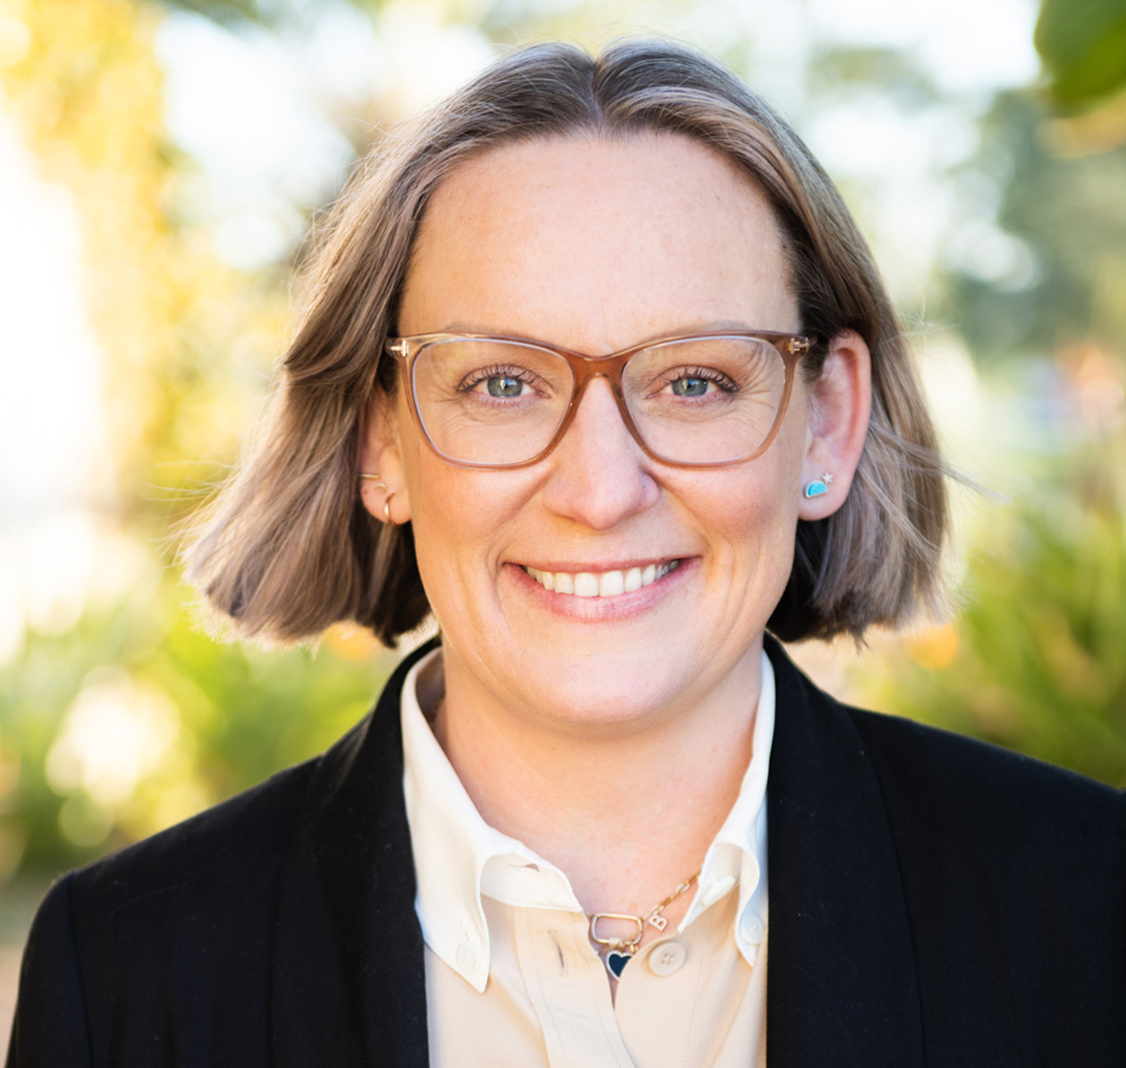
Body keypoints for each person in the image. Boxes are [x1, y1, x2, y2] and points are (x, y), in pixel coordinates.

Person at [7, 38, 1125, 1068]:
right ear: (379, 438)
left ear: (825, 422)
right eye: (501, 382)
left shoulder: (1091, 913)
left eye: (695, 381)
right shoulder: (123, 977)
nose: (599, 492)